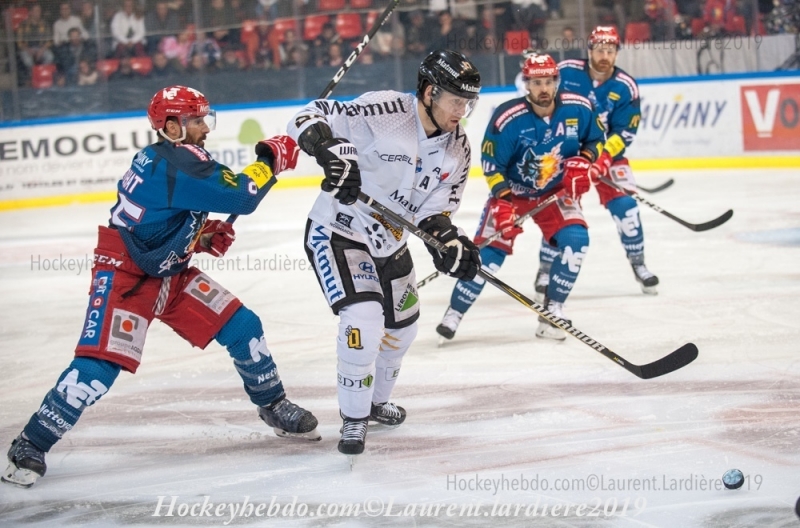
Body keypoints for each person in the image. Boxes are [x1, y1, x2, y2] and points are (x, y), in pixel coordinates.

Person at [2, 85, 319, 489]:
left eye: (205, 118)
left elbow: (159, 219)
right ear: (170, 126)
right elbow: (241, 195)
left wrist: (199, 236)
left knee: (244, 327)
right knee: (99, 367)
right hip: (127, 275)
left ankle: (273, 405)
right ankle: (31, 443)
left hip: (167, 267)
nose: (205, 127)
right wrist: (269, 160)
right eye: (196, 120)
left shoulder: (167, 158)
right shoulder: (177, 163)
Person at [287, 50, 482, 457]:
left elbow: (436, 212)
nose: (463, 111)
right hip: (339, 231)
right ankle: (353, 417)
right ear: (430, 92)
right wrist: (329, 151)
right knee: (364, 319)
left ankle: (375, 403)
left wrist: (449, 243)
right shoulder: (385, 109)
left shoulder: (459, 149)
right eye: (456, 100)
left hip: (390, 242)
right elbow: (307, 115)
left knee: (404, 328)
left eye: (469, 103)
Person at [436, 53, 604, 342]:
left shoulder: (580, 108)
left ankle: (553, 312)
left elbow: (595, 139)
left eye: (548, 82)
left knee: (576, 240)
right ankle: (455, 312)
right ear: (526, 84)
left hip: (554, 193)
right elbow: (492, 165)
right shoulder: (507, 118)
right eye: (536, 82)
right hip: (513, 194)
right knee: (487, 257)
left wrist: (585, 160)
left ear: (556, 82)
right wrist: (502, 202)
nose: (543, 88)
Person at [551, 26, 658, 297]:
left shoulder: (625, 86)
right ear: (589, 50)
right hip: (568, 154)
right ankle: (544, 270)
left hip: (608, 156)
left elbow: (625, 132)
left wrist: (602, 157)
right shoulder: (566, 71)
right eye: (599, 49)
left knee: (627, 208)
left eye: (610, 51)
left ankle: (639, 264)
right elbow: (540, 97)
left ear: (616, 53)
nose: (604, 55)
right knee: (558, 211)